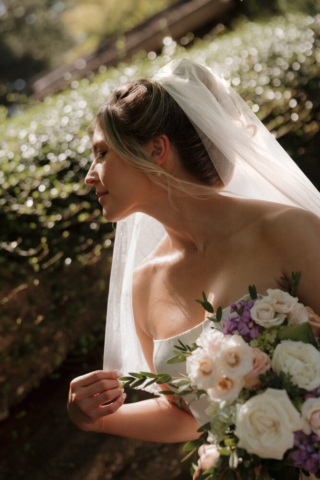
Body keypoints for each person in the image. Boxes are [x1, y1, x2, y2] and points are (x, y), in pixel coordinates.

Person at [67, 58, 320, 476]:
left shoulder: (287, 231)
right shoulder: (144, 285)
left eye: (101, 154)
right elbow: (184, 411)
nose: (90, 176)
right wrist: (97, 418)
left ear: (156, 150)